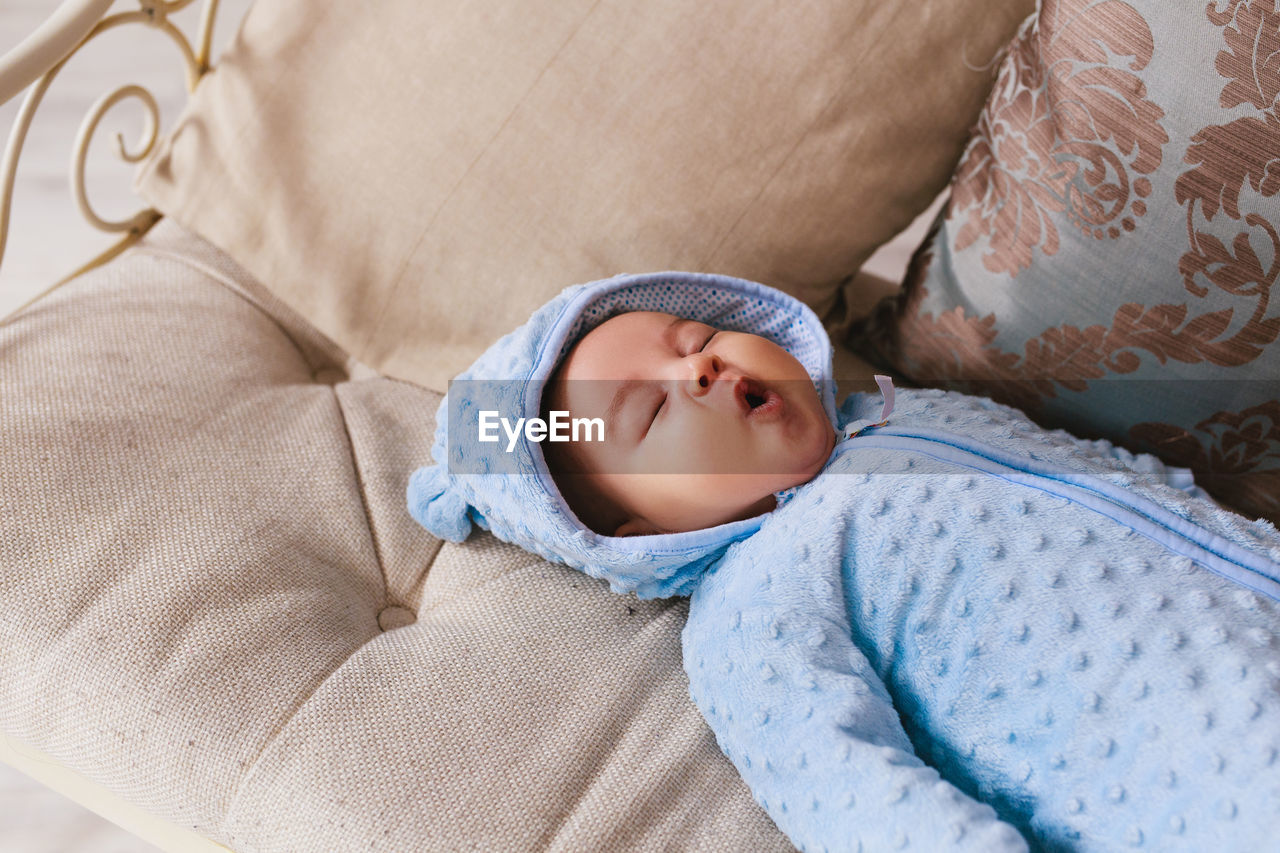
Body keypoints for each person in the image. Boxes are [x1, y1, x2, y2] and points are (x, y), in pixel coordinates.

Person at [409, 271, 1280, 852]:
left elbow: (1106, 471)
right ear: (635, 531)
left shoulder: (915, 410)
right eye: (649, 413)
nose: (702, 368)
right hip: (1194, 777)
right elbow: (848, 788)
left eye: (694, 336)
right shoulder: (755, 607)